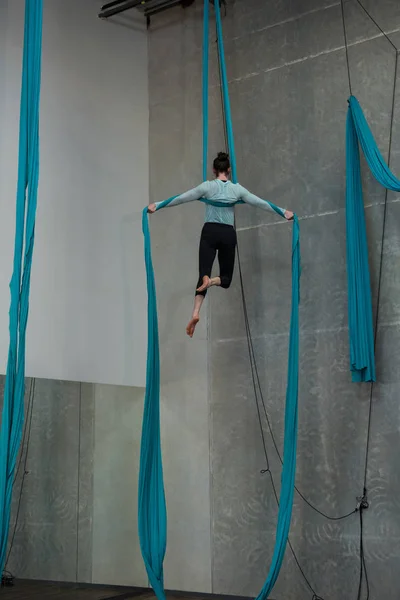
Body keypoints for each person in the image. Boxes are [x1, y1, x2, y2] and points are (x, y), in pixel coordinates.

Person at [148, 152, 294, 338]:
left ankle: (195, 312)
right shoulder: (237, 190)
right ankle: (214, 281)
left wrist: (158, 205)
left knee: (202, 278)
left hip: (209, 232)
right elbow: (261, 203)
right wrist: (283, 212)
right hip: (227, 233)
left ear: (214, 170)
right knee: (226, 279)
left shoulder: (207, 187)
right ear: (229, 170)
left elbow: (181, 197)